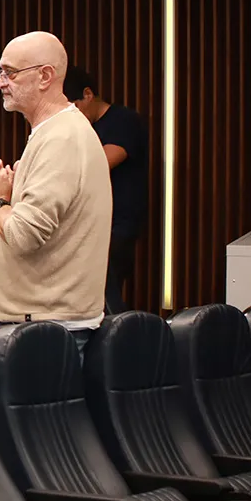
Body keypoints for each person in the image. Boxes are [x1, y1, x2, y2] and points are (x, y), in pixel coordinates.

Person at [0, 31, 112, 357]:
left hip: (46, 331)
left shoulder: (61, 138)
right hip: (45, 324)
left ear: (45, 76)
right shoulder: (57, 132)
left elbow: (25, 235)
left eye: (9, 73)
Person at [63, 65, 148, 314]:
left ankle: (120, 344)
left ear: (88, 94)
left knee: (106, 290)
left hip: (117, 223)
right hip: (86, 224)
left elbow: (101, 163)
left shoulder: (124, 120)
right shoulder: (79, 128)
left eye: (74, 107)